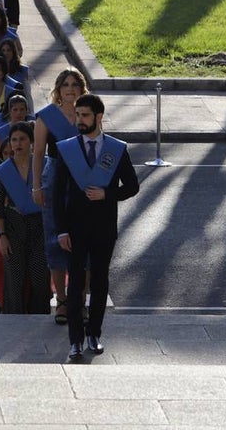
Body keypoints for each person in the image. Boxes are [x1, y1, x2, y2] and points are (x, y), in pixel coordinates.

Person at [53, 93, 140, 360]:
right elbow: (57, 193)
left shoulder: (115, 149)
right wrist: (62, 230)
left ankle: (94, 333)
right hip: (75, 229)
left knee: (100, 283)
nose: (79, 120)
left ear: (99, 117)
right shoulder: (67, 149)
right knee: (76, 283)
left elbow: (133, 186)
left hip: (104, 228)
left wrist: (107, 195)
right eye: (77, 115)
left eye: (85, 115)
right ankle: (75, 340)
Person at [0, 122, 50, 314]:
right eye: (14, 139)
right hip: (13, 228)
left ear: (31, 142)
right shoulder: (3, 171)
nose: (18, 143)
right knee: (14, 282)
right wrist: (2, 236)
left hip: (39, 227)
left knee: (40, 278)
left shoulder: (43, 165)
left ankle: (40, 317)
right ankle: (13, 321)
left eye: (23, 139)